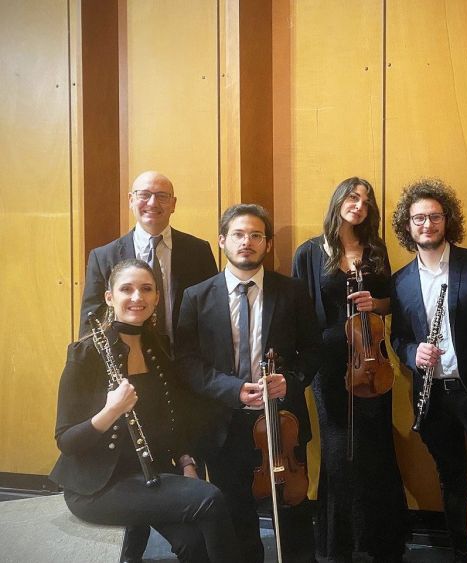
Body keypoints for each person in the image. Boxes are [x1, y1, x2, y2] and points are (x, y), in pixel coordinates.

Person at [50, 259, 241, 563]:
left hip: (149, 475)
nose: (137, 297)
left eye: (146, 289)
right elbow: (66, 441)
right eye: (126, 289)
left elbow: (174, 416)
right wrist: (111, 410)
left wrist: (186, 461)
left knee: (193, 542)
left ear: (156, 297)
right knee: (210, 498)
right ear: (109, 297)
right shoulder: (84, 354)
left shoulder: (158, 347)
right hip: (98, 487)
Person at [175, 204, 321, 563]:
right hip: (223, 423)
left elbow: (314, 350)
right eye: (238, 234)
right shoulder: (196, 296)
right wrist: (232, 389)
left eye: (256, 235)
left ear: (267, 244)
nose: (247, 242)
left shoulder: (292, 291)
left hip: (281, 422)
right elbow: (187, 363)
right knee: (235, 514)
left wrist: (291, 381)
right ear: (222, 240)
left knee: (292, 512)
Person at [292, 177, 409, 562]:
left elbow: (390, 302)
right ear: (338, 200)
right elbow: (298, 309)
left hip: (372, 360)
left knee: (376, 448)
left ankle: (380, 543)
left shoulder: (375, 249)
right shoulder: (309, 252)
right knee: (338, 450)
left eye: (366, 200)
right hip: (329, 364)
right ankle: (337, 545)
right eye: (353, 197)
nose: (359, 205)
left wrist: (373, 304)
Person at [389, 179, 467, 562]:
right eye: (419, 218)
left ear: (447, 220)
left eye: (435, 216)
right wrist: (413, 352)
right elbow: (398, 338)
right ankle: (464, 552)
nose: (427, 224)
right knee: (451, 478)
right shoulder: (400, 282)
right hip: (433, 395)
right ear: (408, 225)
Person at [79, 170, 217, 345]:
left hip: (186, 358)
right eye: (144, 195)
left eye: (162, 196)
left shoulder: (198, 251)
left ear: (173, 204)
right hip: (127, 357)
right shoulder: (103, 257)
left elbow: (212, 311)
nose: (152, 203)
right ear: (131, 200)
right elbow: (91, 321)